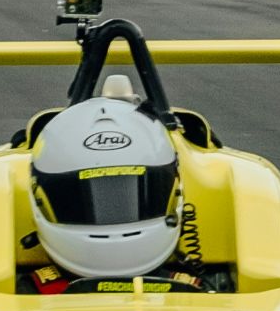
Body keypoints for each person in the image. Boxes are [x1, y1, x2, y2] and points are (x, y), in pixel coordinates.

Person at [19, 90, 233, 294]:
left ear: (173, 191)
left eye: (125, 197)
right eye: (81, 201)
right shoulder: (32, 287)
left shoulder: (193, 285)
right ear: (40, 199)